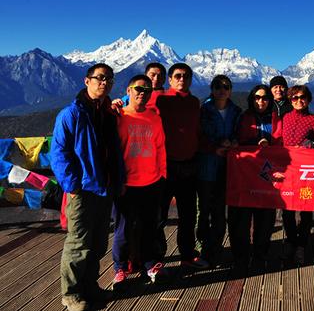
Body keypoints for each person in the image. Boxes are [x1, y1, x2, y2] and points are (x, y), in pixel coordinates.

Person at [51, 63, 124, 311]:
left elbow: (114, 151)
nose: (104, 83)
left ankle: (90, 286)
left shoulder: (107, 113)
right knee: (78, 243)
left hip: (105, 188)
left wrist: (118, 180)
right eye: (100, 78)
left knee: (98, 242)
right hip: (82, 190)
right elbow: (59, 153)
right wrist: (72, 185)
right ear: (87, 81)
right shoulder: (71, 114)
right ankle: (70, 294)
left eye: (109, 80)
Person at [112, 75, 167, 287]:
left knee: (149, 227)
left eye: (147, 90)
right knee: (123, 229)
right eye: (138, 88)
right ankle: (120, 268)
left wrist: (162, 174)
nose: (142, 93)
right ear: (128, 90)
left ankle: (150, 264)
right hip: (126, 183)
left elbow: (160, 146)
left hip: (151, 181)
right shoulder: (118, 115)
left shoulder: (154, 117)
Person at [155, 63, 209, 270]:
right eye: (177, 76)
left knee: (188, 215)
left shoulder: (195, 102)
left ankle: (187, 255)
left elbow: (197, 132)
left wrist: (215, 148)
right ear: (169, 79)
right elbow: (136, 109)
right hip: (164, 166)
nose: (181, 79)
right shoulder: (159, 99)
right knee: (159, 216)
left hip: (189, 164)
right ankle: (156, 258)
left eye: (186, 76)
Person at [229, 84, 280, 272]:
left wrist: (270, 143)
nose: (261, 101)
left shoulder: (275, 118)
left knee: (265, 218)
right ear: (252, 99)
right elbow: (238, 138)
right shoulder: (244, 117)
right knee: (241, 218)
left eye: (265, 98)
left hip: (267, 176)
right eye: (257, 97)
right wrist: (253, 143)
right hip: (244, 175)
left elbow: (280, 140)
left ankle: (260, 255)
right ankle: (240, 257)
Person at [277, 85, 314, 264]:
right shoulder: (286, 117)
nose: (299, 101)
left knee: (306, 209)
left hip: (306, 171)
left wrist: (309, 145)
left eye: (302, 97)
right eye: (294, 98)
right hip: (288, 170)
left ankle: (302, 245)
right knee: (287, 210)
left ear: (309, 99)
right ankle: (291, 241)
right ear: (290, 100)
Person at [197, 75, 242, 266]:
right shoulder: (203, 110)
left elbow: (240, 133)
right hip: (206, 166)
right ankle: (202, 249)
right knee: (203, 210)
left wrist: (234, 141)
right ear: (212, 89)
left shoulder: (236, 111)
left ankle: (214, 250)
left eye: (225, 86)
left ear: (230, 90)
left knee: (218, 212)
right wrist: (215, 146)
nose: (221, 90)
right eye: (217, 86)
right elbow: (197, 135)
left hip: (227, 168)